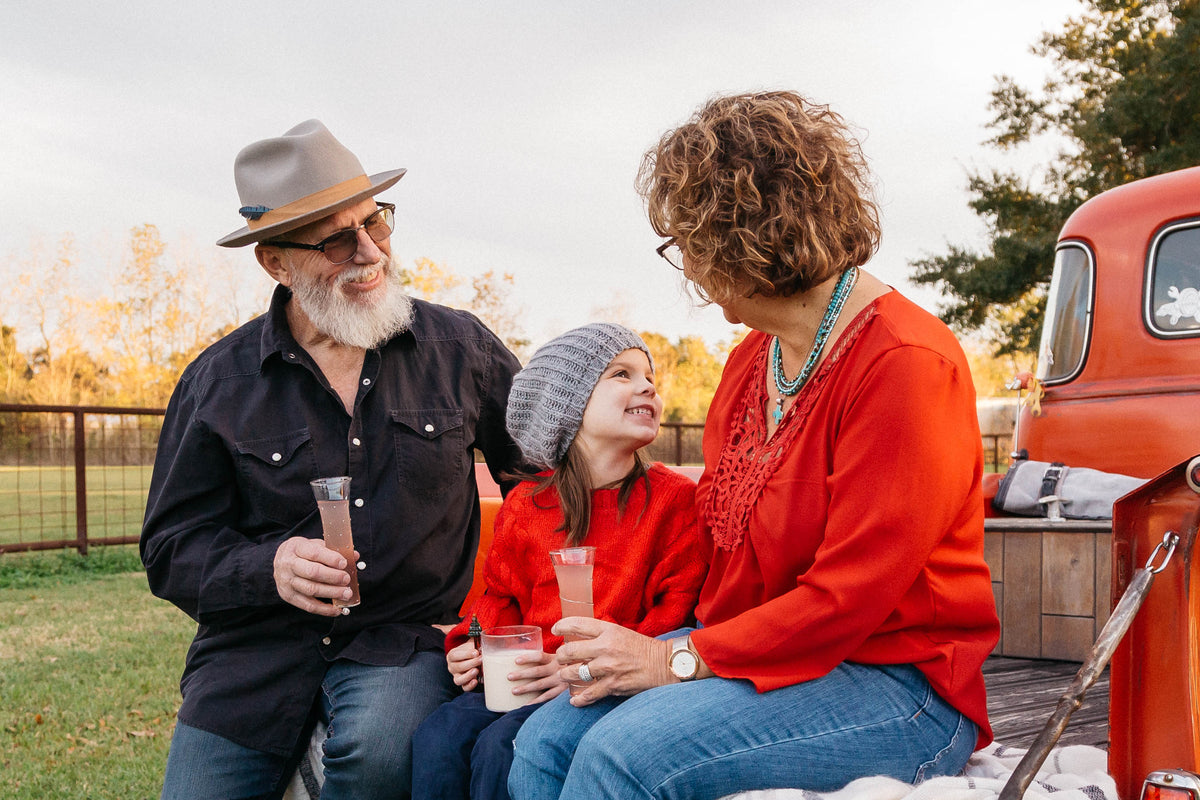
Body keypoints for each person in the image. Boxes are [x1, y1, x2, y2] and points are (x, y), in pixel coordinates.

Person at [507, 91, 1001, 800]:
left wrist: (675, 661)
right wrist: (633, 644)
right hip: (748, 652)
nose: (687, 269)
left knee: (621, 757)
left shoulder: (907, 364)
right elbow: (716, 554)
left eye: (685, 242)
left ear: (737, 241)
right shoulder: (752, 361)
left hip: (895, 682)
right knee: (545, 741)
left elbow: (847, 598)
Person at [140, 119, 526, 800]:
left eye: (375, 223)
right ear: (275, 263)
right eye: (335, 239)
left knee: (380, 756)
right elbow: (172, 549)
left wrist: (494, 619)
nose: (368, 251)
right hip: (251, 658)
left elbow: (542, 488)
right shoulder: (216, 382)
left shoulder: (460, 349)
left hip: (406, 643)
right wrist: (270, 567)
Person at [411, 322, 706, 800]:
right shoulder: (528, 503)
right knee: (439, 736)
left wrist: (581, 667)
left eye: (649, 376)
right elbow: (499, 596)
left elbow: (676, 610)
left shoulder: (674, 501)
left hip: (605, 684)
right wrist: (472, 645)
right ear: (565, 407)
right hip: (525, 675)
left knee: (501, 748)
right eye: (621, 374)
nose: (647, 385)